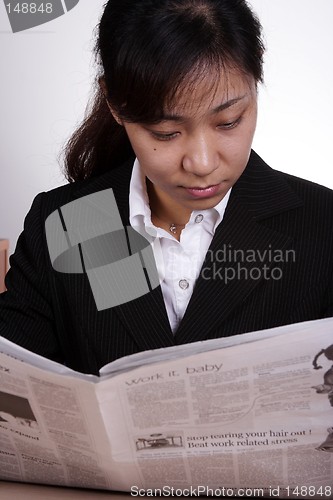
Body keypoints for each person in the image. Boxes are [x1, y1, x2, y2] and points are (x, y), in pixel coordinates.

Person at [0, 0, 333, 376]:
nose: (202, 163)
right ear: (114, 104)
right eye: (166, 133)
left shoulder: (323, 225)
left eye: (228, 122)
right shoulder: (69, 222)